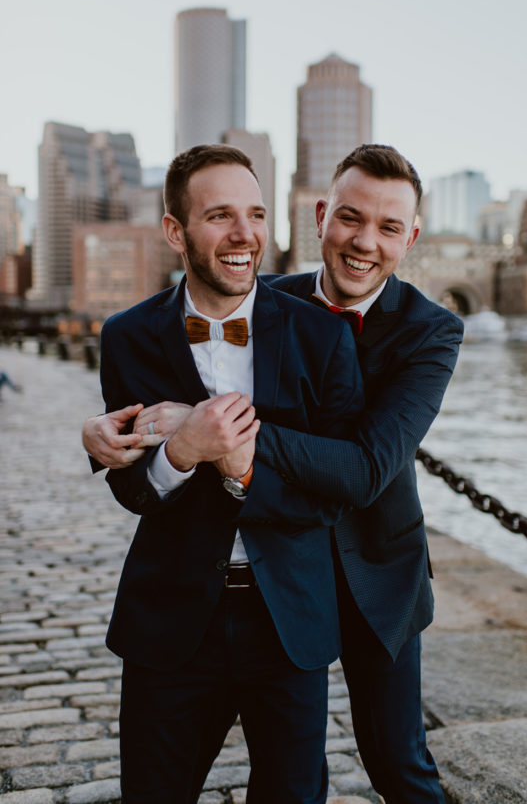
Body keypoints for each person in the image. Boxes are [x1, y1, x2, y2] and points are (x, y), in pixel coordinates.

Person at [85, 144, 464, 803]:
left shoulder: (432, 330)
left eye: (388, 227)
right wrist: (104, 437)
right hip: (275, 569)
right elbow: (154, 407)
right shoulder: (263, 295)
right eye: (349, 217)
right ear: (319, 216)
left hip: (373, 565)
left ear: (411, 236)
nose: (363, 241)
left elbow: (369, 465)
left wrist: (221, 435)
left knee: (396, 759)